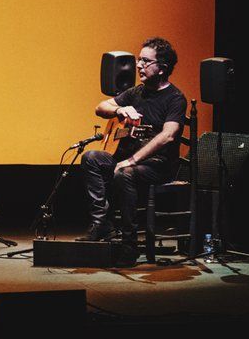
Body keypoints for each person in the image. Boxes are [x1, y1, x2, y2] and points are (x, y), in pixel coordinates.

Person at [79, 36, 187, 266]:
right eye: (139, 60)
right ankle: (102, 223)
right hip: (128, 161)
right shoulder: (135, 93)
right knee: (91, 158)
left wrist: (133, 159)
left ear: (162, 68)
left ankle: (129, 244)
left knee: (123, 174)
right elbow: (101, 107)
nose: (139, 66)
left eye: (145, 62)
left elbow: (168, 135)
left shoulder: (175, 98)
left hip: (158, 166)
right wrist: (120, 109)